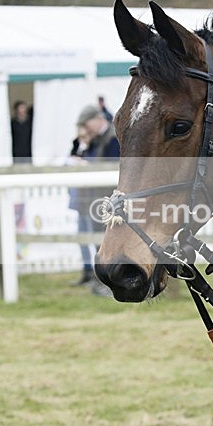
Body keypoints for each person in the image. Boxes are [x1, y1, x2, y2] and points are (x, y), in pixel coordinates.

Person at [69, 105, 120, 295]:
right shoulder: (97, 138)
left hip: (108, 198)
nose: (85, 128)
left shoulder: (113, 138)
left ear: (97, 119)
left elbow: (113, 165)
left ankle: (109, 283)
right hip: (98, 198)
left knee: (106, 243)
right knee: (99, 243)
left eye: (86, 124)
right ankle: (103, 281)